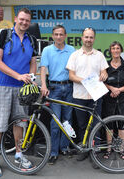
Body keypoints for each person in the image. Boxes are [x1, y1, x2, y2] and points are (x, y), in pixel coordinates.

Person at [0, 8, 38, 177]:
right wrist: (17, 75)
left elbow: (33, 62)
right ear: (16, 19)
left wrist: (31, 76)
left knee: (20, 123)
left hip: (22, 89)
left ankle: (18, 154)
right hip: (2, 86)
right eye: (22, 19)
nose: (24, 23)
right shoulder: (3, 34)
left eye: (27, 21)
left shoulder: (32, 39)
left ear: (30, 22)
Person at [66, 27, 109, 162]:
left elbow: (105, 72)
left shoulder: (100, 55)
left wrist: (104, 74)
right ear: (82, 38)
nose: (88, 39)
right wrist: (85, 81)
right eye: (86, 37)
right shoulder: (75, 55)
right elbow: (71, 76)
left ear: (94, 39)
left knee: (96, 125)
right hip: (79, 96)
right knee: (82, 125)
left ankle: (94, 154)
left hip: (96, 97)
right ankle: (84, 149)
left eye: (91, 37)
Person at [40, 25, 75, 165]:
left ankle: (64, 147)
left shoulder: (72, 50)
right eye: (56, 34)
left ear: (65, 35)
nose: (59, 37)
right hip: (54, 88)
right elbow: (43, 68)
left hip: (70, 88)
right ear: (52, 35)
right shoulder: (47, 50)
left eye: (61, 34)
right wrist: (43, 85)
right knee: (55, 122)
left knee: (67, 120)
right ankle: (54, 152)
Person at [103, 41, 124, 160]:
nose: (115, 50)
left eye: (117, 48)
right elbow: (102, 82)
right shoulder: (105, 65)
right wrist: (111, 88)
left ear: (121, 50)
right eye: (113, 48)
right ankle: (109, 149)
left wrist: (119, 90)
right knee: (109, 125)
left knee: (122, 124)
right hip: (109, 97)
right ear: (110, 51)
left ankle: (121, 149)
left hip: (122, 98)